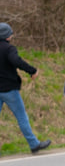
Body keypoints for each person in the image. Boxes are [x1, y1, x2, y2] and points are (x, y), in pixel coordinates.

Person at [0, 23, 51, 155]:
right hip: (9, 90)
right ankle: (34, 145)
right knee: (21, 117)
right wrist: (32, 71)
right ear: (7, 36)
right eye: (10, 33)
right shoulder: (9, 49)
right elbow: (16, 61)